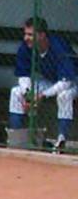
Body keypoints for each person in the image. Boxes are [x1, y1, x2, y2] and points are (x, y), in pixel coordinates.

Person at [8, 17, 77, 153]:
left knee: (64, 95)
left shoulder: (58, 46)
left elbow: (66, 81)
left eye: (30, 35)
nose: (26, 38)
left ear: (42, 35)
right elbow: (23, 75)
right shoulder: (26, 47)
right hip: (52, 81)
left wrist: (42, 95)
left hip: (73, 80)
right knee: (16, 92)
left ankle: (61, 141)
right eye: (25, 34)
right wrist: (28, 94)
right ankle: (17, 140)